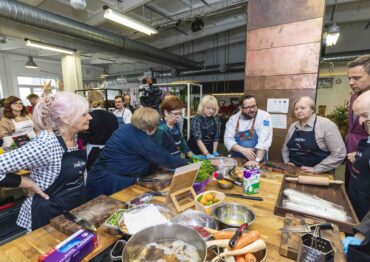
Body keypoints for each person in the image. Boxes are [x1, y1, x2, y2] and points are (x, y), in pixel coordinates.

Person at [0, 92, 92, 231]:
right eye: (84, 114)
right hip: (48, 213)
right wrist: (27, 182)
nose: (90, 117)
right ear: (66, 119)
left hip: (74, 205)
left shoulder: (76, 136)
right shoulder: (47, 143)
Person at [87, 107, 188, 199]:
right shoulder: (138, 136)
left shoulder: (127, 128)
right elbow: (163, 158)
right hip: (109, 182)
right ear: (151, 125)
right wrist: (189, 164)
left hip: (104, 176)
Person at [282, 96, 346, 173]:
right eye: (296, 109)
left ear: (312, 109)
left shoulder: (326, 125)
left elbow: (339, 153)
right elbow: (285, 148)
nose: (298, 111)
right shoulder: (293, 126)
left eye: (302, 108)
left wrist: (317, 169)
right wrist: (287, 163)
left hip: (319, 173)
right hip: (294, 171)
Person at [345, 55, 370, 192]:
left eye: (357, 78)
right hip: (351, 152)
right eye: (349, 78)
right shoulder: (354, 96)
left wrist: (363, 153)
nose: (351, 82)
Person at [224, 95, 272, 163]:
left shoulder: (264, 117)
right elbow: (228, 140)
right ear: (240, 108)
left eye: (254, 106)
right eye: (248, 108)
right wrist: (242, 150)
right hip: (237, 158)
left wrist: (257, 161)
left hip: (257, 157)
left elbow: (263, 141)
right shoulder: (233, 119)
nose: (252, 110)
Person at [79, 90, 118, 171]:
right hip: (109, 151)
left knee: (93, 175)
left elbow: (81, 139)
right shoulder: (112, 116)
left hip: (92, 153)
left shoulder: (88, 117)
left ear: (89, 101)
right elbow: (116, 136)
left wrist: (79, 152)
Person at [347, 90, 370, 221]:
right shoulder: (366, 140)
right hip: (356, 205)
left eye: (365, 115)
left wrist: (363, 233)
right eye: (358, 116)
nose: (361, 122)